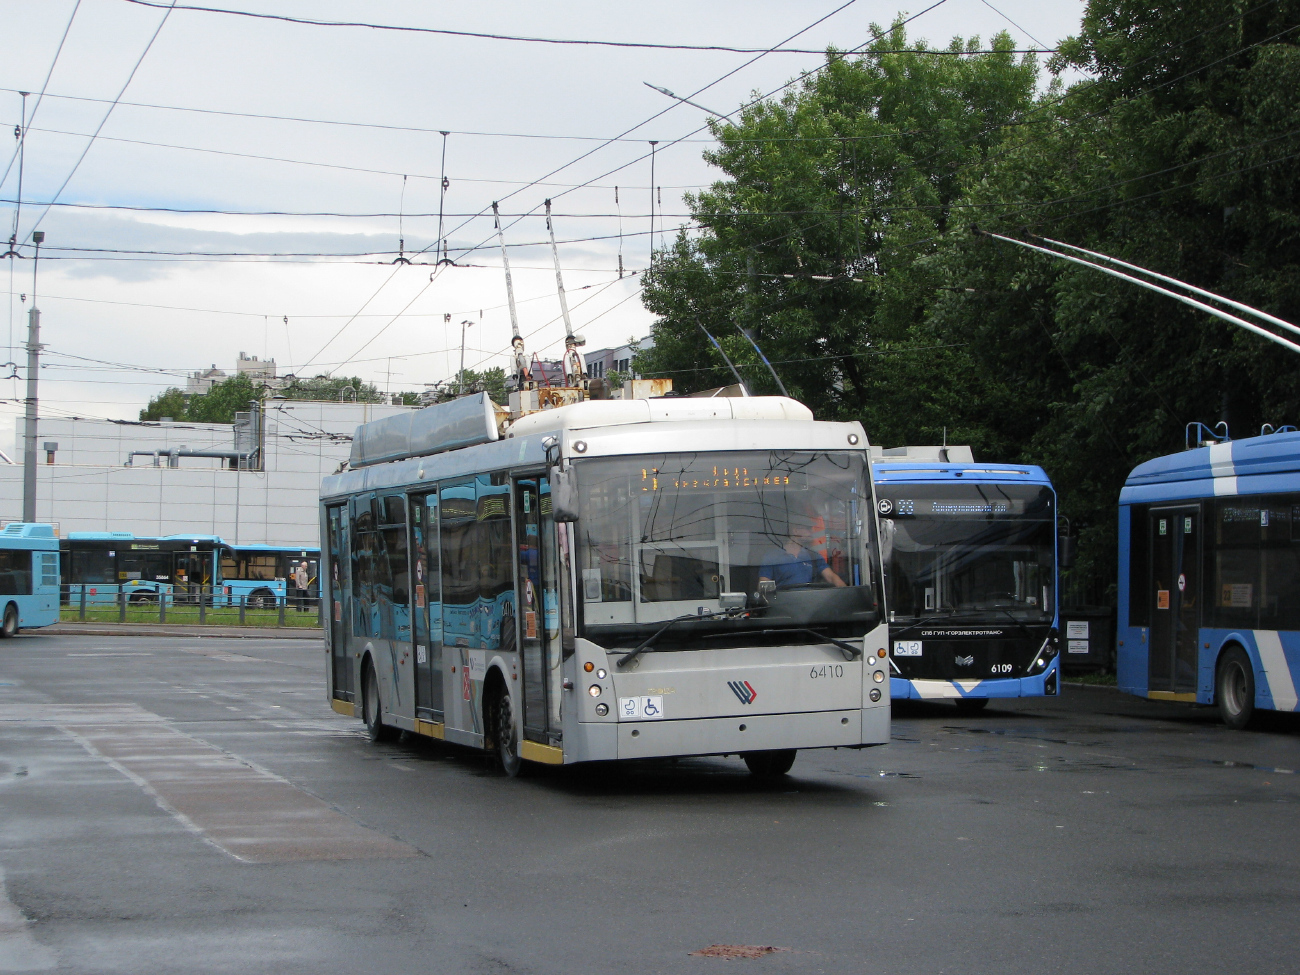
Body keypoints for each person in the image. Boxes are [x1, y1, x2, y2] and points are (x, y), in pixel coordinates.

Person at [758, 521, 847, 590]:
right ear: (795, 530)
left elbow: (831, 577)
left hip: (810, 606)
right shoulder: (772, 556)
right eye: (807, 528)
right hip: (783, 606)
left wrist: (846, 592)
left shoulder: (813, 556)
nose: (811, 531)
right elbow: (764, 584)